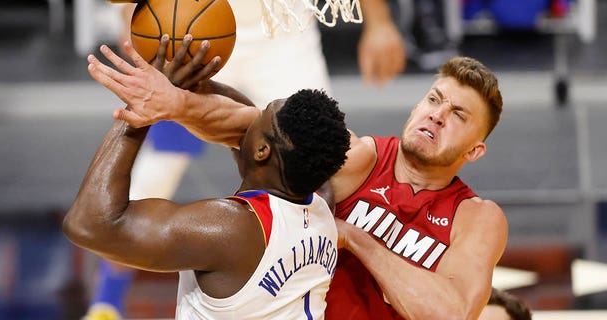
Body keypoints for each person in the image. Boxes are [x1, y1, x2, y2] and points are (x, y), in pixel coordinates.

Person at [88, 42, 509, 319]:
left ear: (475, 151)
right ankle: (107, 299)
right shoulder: (359, 156)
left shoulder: (477, 217)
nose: (437, 114)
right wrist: (174, 101)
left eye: (458, 115)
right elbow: (247, 127)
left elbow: (449, 314)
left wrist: (355, 237)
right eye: (434, 99)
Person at [86, 0, 407, 316]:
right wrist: (133, 17)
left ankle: (327, 297)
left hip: (281, 29)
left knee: (323, 168)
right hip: (188, 27)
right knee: (158, 171)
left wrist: (379, 20)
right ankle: (107, 303)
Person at [64, 36, 352, 319]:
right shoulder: (322, 203)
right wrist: (191, 85)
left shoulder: (230, 229)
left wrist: (139, 106)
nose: (250, 113)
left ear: (263, 150)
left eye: (262, 113)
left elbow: (90, 223)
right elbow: (244, 132)